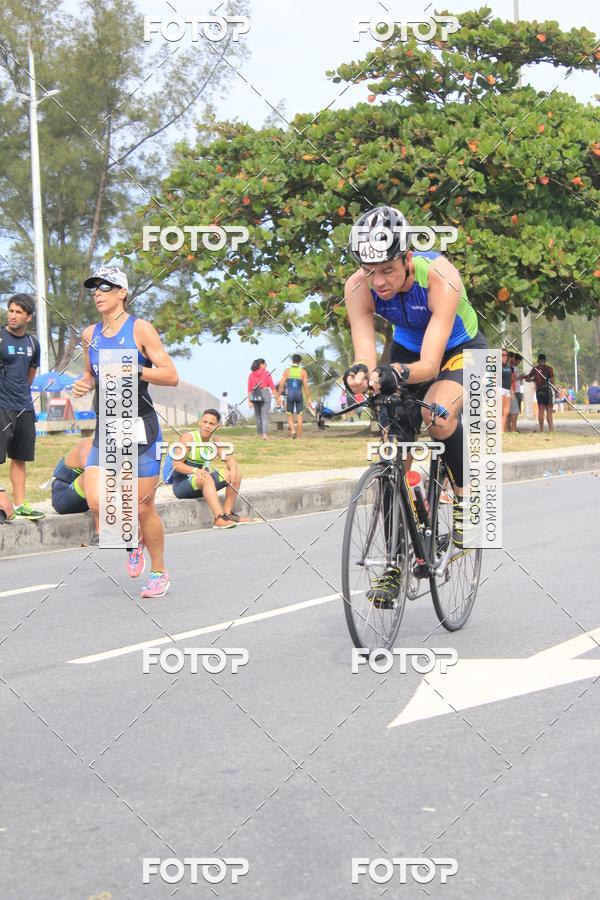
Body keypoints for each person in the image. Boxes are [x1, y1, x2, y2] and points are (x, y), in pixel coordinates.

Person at [342, 205, 488, 605]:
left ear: (408, 258)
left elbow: (428, 365)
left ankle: (465, 498)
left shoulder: (441, 277)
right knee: (394, 451)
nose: (379, 282)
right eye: (370, 272)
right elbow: (365, 353)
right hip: (408, 347)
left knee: (436, 415)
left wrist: (394, 375)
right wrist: (361, 373)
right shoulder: (358, 287)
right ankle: (395, 562)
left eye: (388, 270)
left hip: (461, 350)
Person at [71, 265, 179, 598]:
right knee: (96, 499)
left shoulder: (140, 329)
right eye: (94, 288)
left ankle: (159, 572)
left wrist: (135, 368)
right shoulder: (90, 334)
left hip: (140, 426)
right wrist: (84, 382)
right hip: (108, 426)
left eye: (106, 287)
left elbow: (170, 375)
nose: (98, 293)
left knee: (143, 505)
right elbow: (92, 373)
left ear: (123, 293)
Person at [0, 294, 45, 519]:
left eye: (19, 312)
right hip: (2, 406)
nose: (13, 315)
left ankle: (20, 505)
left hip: (25, 408)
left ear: (28, 317)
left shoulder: (32, 343)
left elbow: (30, 375)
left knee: (20, 457)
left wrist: (21, 396)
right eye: (11, 311)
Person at [169, 409, 249, 527]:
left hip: (203, 483)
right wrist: (195, 470)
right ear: (200, 423)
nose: (207, 426)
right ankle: (218, 518)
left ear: (217, 427)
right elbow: (176, 465)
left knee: (234, 474)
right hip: (183, 486)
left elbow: (230, 460)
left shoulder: (214, 441)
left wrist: (233, 469)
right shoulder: (188, 438)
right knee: (206, 476)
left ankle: (228, 514)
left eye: (211, 424)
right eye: (205, 422)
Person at [51, 436, 93, 515]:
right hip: (62, 497)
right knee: (95, 474)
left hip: (85, 500)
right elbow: (91, 471)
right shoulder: (87, 444)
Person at [276, 354, 313, 438]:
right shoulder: (303, 371)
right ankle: (299, 436)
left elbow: (281, 385)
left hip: (290, 395)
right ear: (300, 362)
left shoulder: (287, 371)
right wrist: (309, 398)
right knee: (300, 415)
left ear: (292, 361)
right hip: (299, 395)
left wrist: (278, 396)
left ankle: (293, 431)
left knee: (290, 415)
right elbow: (306, 386)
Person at [524, 353, 555, 432]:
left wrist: (534, 380)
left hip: (539, 391)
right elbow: (552, 381)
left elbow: (527, 379)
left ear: (538, 361)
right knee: (549, 410)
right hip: (547, 390)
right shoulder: (549, 369)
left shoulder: (535, 369)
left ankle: (541, 430)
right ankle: (551, 430)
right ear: (545, 360)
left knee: (540, 410)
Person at [247, 358, 276, 439]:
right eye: (265, 364)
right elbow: (272, 386)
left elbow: (249, 389)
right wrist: (277, 398)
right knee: (264, 415)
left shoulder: (251, 375)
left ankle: (259, 433)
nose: (266, 365)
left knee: (258, 415)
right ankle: (264, 434)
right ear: (261, 365)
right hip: (265, 392)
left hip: (255, 394)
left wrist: (249, 401)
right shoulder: (266, 373)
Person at [501, 349, 512, 432]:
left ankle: (503, 430)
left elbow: (510, 379)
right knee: (500, 411)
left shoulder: (508, 367)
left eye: (506, 355)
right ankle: (499, 431)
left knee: (506, 412)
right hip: (499, 389)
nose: (504, 357)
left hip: (507, 390)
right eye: (502, 355)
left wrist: (511, 391)